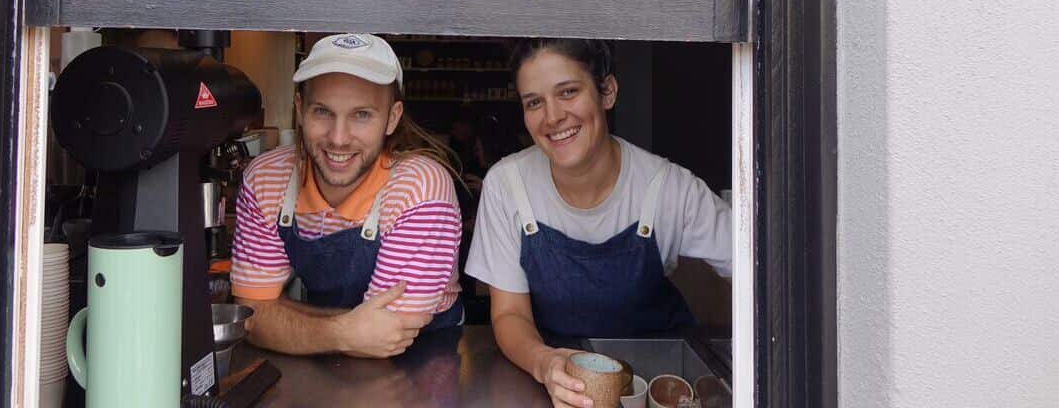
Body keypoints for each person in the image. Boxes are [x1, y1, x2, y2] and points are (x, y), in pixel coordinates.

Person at [465, 38, 732, 408]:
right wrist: (545, 363)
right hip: (551, 380)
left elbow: (759, 271)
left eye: (569, 92)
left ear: (607, 92)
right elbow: (509, 314)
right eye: (534, 102)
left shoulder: (668, 188)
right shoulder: (508, 186)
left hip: (656, 384)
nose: (553, 117)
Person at [232, 33, 464, 358]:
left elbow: (389, 334)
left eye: (362, 114)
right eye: (323, 112)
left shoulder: (420, 188)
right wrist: (342, 332)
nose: (338, 139)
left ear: (392, 118)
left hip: (424, 361)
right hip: (324, 361)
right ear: (300, 108)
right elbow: (251, 317)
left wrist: (287, 321)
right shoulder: (267, 178)